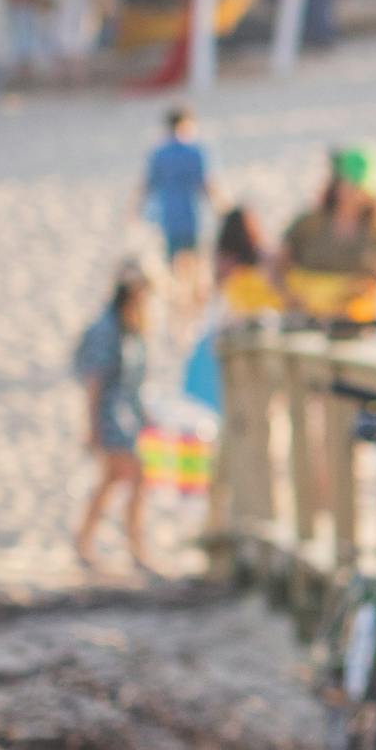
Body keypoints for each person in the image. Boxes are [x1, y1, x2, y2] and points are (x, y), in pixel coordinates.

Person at [72, 264, 155, 570]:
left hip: (124, 417)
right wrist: (91, 425)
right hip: (109, 416)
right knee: (134, 475)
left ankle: (85, 540)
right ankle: (134, 545)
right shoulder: (107, 329)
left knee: (112, 480)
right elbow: (95, 380)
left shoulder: (129, 327)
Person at [280, 148, 376, 324]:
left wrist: (354, 298)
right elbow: (276, 265)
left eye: (359, 187)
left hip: (348, 320)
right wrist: (290, 297)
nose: (355, 193)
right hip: (301, 313)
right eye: (350, 185)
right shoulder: (309, 223)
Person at [142, 104, 213, 311]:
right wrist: (222, 207)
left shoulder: (159, 154)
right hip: (191, 215)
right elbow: (206, 184)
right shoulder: (195, 151)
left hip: (168, 216)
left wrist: (134, 210)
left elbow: (149, 185)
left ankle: (179, 304)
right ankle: (193, 304)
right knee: (197, 262)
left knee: (175, 265)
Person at [212, 204, 281, 316]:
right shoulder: (227, 259)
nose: (257, 228)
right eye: (251, 224)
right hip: (242, 307)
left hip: (262, 305)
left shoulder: (260, 252)